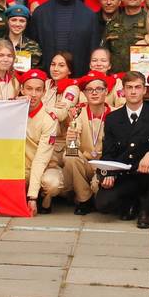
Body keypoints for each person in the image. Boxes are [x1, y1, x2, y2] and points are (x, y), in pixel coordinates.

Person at [96, 71, 149, 229]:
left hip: (148, 174)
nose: (133, 91)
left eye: (138, 87)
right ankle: (131, 201)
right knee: (103, 204)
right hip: (124, 175)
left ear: (145, 90)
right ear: (122, 91)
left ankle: (146, 210)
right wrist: (107, 174)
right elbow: (108, 152)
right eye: (129, 87)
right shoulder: (112, 118)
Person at [28, 0, 99, 77]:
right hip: (45, 79)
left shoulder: (89, 15)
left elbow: (93, 50)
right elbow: (32, 47)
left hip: (79, 79)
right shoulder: (40, 14)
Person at [62, 70, 112, 215]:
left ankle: (95, 193)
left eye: (99, 89)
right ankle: (84, 199)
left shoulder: (115, 114)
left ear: (106, 91)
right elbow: (72, 144)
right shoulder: (78, 113)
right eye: (90, 90)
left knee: (99, 191)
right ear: (84, 93)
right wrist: (71, 140)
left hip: (105, 164)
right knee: (70, 156)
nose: (94, 93)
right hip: (85, 162)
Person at [20, 69, 60, 216]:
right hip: (20, 168)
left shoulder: (48, 119)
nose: (33, 94)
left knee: (52, 184)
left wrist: (32, 197)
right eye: (29, 89)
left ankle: (44, 199)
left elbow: (41, 160)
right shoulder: (13, 111)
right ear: (21, 89)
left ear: (44, 92)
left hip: (43, 167)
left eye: (38, 90)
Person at [42, 52, 81, 122]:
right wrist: (52, 108)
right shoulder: (46, 83)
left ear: (69, 71)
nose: (55, 69)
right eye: (53, 64)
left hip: (60, 131)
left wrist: (38, 106)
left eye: (61, 65)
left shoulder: (72, 88)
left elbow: (61, 115)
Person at [3, 4, 42, 70]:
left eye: (22, 21)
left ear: (26, 23)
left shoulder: (33, 46)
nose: (17, 24)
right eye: (14, 20)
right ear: (7, 22)